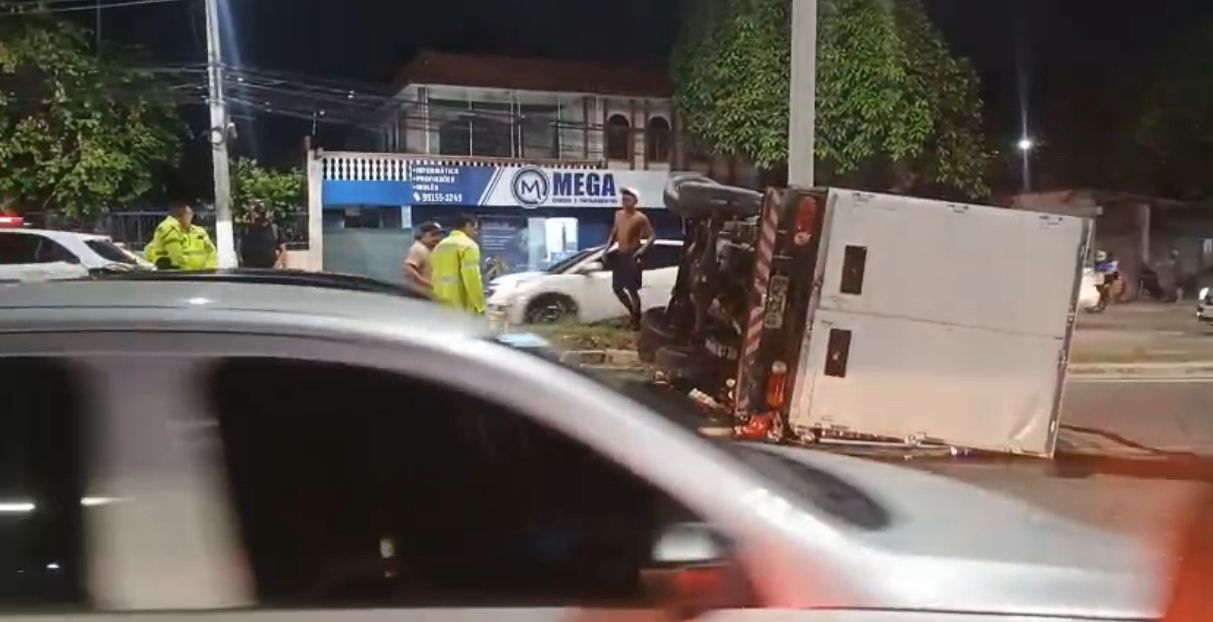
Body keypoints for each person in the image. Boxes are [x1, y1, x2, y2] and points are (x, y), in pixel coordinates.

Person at [603, 187, 654, 329]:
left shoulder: (640, 217)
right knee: (617, 287)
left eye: (628, 199)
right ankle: (633, 313)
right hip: (620, 255)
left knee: (632, 290)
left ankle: (636, 321)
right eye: (623, 199)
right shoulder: (618, 215)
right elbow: (614, 234)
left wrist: (641, 251)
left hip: (633, 255)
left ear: (635, 201)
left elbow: (652, 236)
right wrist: (606, 250)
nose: (624, 201)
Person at [429, 214, 485, 314]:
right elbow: (472, 278)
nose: (475, 233)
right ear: (467, 226)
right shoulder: (468, 246)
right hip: (461, 306)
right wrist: (480, 305)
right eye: (475, 229)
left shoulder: (440, 245)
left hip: (440, 304)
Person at [144, 203, 218, 270]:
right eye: (189, 214)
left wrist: (209, 269)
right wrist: (187, 271)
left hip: (200, 275)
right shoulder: (170, 228)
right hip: (179, 275)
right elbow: (176, 255)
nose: (191, 217)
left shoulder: (199, 231)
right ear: (180, 215)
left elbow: (211, 251)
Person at [239, 201, 287, 269]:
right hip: (250, 272)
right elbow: (239, 251)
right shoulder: (246, 231)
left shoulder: (274, 229)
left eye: (260, 211)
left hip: (270, 271)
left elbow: (283, 250)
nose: (257, 215)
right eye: (255, 211)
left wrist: (277, 265)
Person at [403, 221, 443, 291]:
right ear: (422, 235)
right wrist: (427, 283)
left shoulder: (430, 248)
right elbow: (408, 269)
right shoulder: (418, 248)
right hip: (419, 294)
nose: (437, 238)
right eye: (433, 235)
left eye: (438, 235)